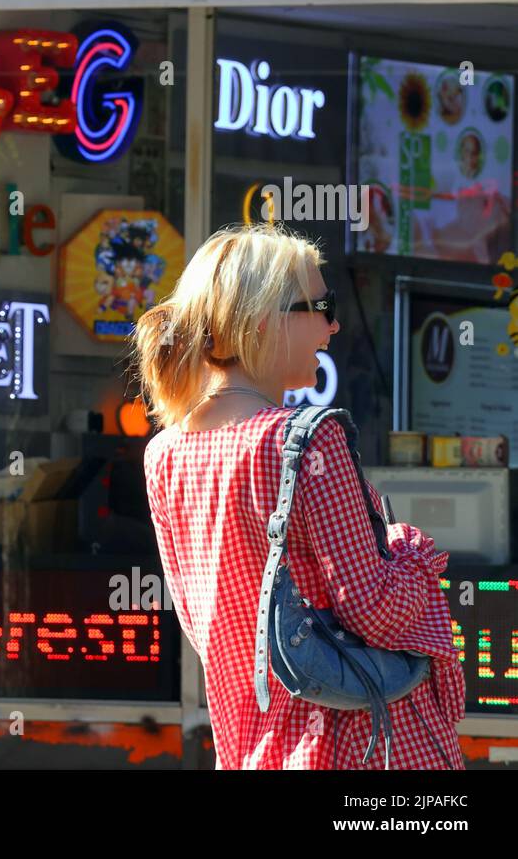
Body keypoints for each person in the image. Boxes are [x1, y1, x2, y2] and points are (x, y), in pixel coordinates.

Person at [130, 224, 465, 769]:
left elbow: (206, 630)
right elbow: (377, 610)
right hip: (361, 750)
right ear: (263, 318)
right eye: (321, 305)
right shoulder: (307, 439)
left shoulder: (164, 455)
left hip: (251, 747)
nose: (333, 325)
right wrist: (413, 548)